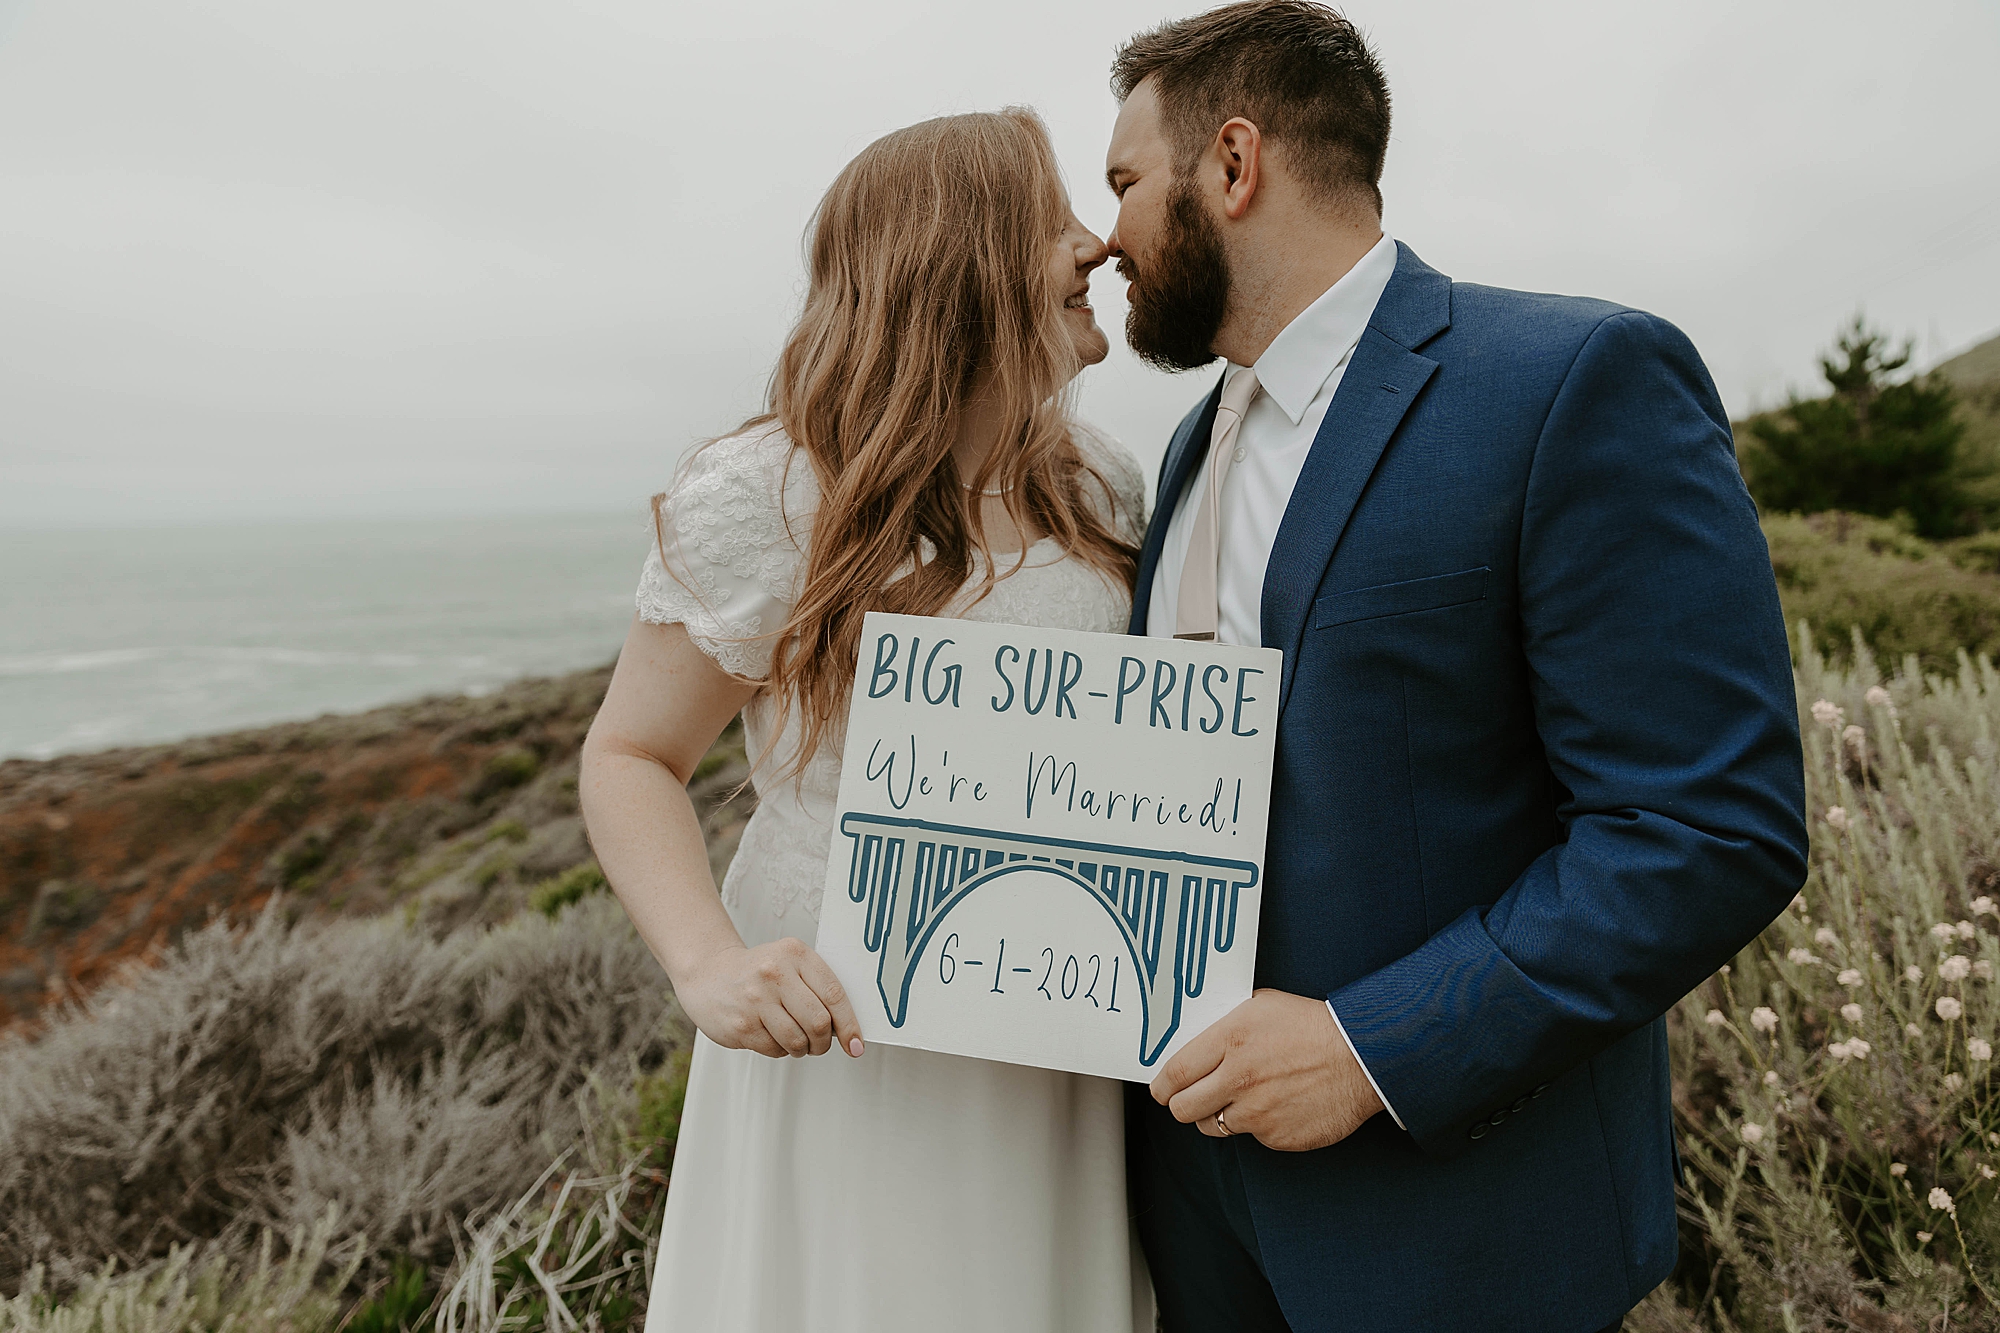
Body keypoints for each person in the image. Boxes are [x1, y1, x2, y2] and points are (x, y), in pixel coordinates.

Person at [1101, 4, 1809, 1331]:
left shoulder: (1570, 379)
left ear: (1234, 165)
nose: (1102, 237)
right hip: (1194, 1224)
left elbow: (1708, 827)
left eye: (1126, 183)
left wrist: (1374, 1049)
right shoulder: (1192, 447)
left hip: (1462, 1229)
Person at [578, 108, 1155, 1333]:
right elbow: (632, 756)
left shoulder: (1100, 481)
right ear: (963, 259)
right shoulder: (772, 495)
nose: (1094, 244)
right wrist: (708, 966)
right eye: (1053, 219)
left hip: (1053, 1011)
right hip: (844, 1023)